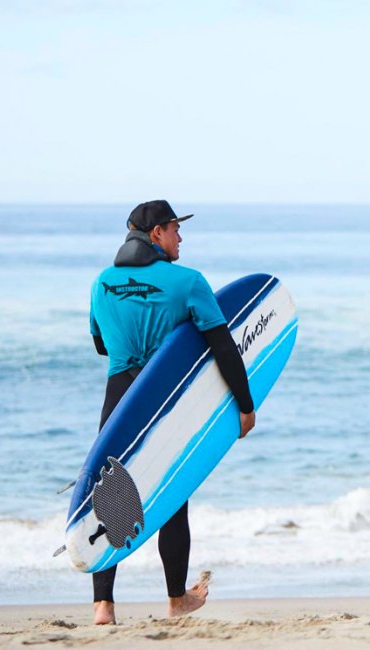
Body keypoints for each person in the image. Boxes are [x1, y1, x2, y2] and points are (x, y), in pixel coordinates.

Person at [88, 200, 256, 625]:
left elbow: (101, 345)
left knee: (112, 495)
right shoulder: (188, 282)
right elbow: (223, 346)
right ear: (157, 233)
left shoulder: (102, 283)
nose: (181, 237)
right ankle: (176, 599)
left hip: (119, 400)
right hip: (166, 399)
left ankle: (103, 606)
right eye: (176, 229)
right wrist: (245, 404)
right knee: (173, 496)